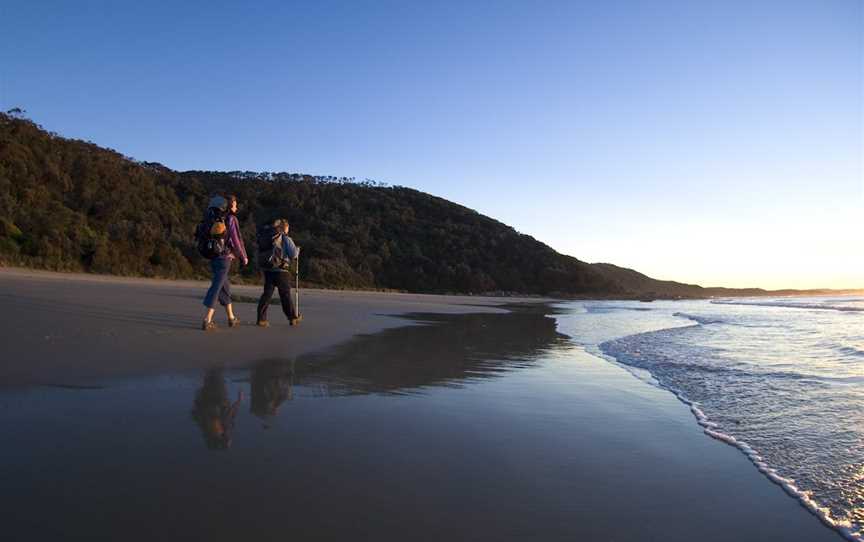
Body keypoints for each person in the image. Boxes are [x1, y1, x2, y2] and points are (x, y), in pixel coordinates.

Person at [201, 194, 248, 331]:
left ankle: (231, 318)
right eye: (235, 204)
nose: (236, 207)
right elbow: (236, 239)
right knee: (217, 286)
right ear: (229, 205)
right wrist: (243, 256)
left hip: (214, 256)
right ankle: (207, 319)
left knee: (224, 288)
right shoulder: (231, 219)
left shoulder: (214, 218)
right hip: (225, 258)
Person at [256, 218, 300, 327]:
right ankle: (292, 318)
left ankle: (261, 319)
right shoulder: (285, 238)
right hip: (281, 271)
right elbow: (293, 255)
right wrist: (298, 250)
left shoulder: (269, 236)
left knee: (267, 295)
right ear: (285, 227)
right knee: (285, 295)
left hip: (268, 269)